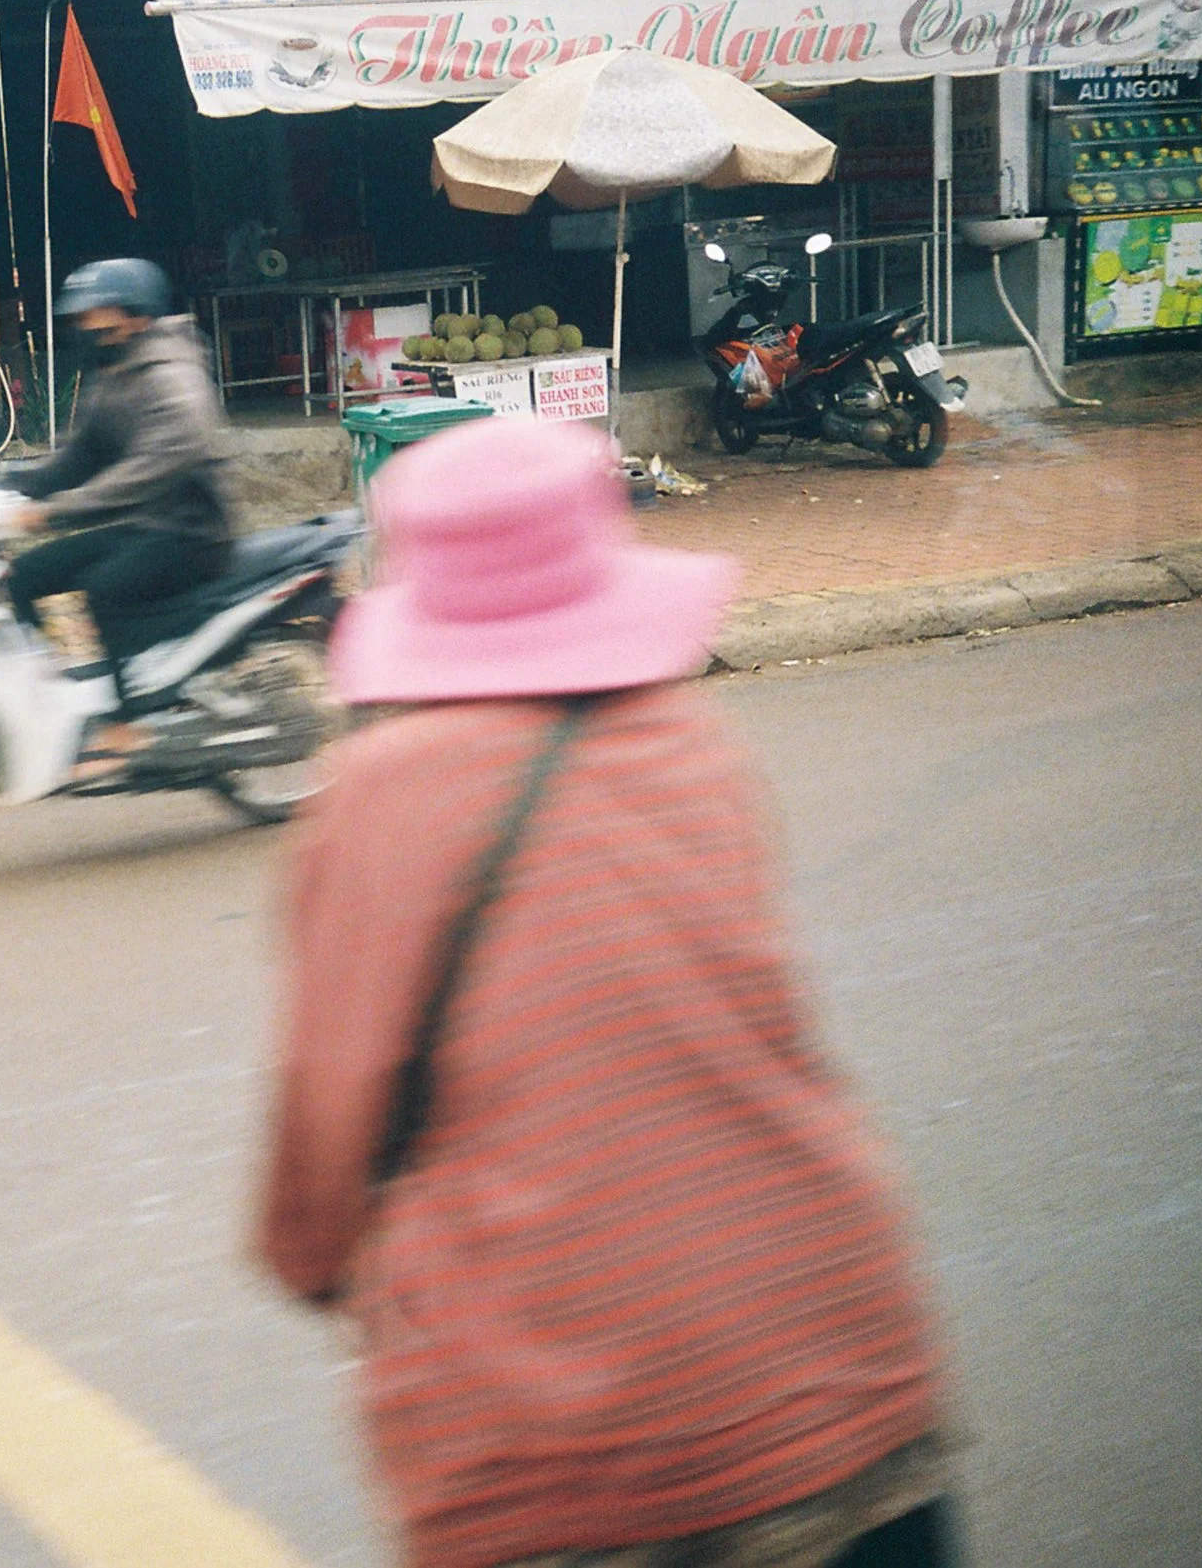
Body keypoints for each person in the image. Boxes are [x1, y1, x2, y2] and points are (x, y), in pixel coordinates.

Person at [260, 422, 955, 1568]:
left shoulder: (381, 793)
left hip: (564, 1453)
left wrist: (313, 1261)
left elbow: (324, 1131)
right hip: (846, 1369)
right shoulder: (695, 747)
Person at [4, 258, 232, 757]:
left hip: (192, 534)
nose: (86, 326)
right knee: (25, 576)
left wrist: (59, 511)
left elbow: (149, 469)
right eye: (82, 317)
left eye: (96, 315)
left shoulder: (173, 375)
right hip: (144, 525)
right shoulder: (113, 371)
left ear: (135, 315)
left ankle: (128, 723)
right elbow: (81, 454)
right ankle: (59, 698)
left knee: (103, 590)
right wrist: (12, 487)